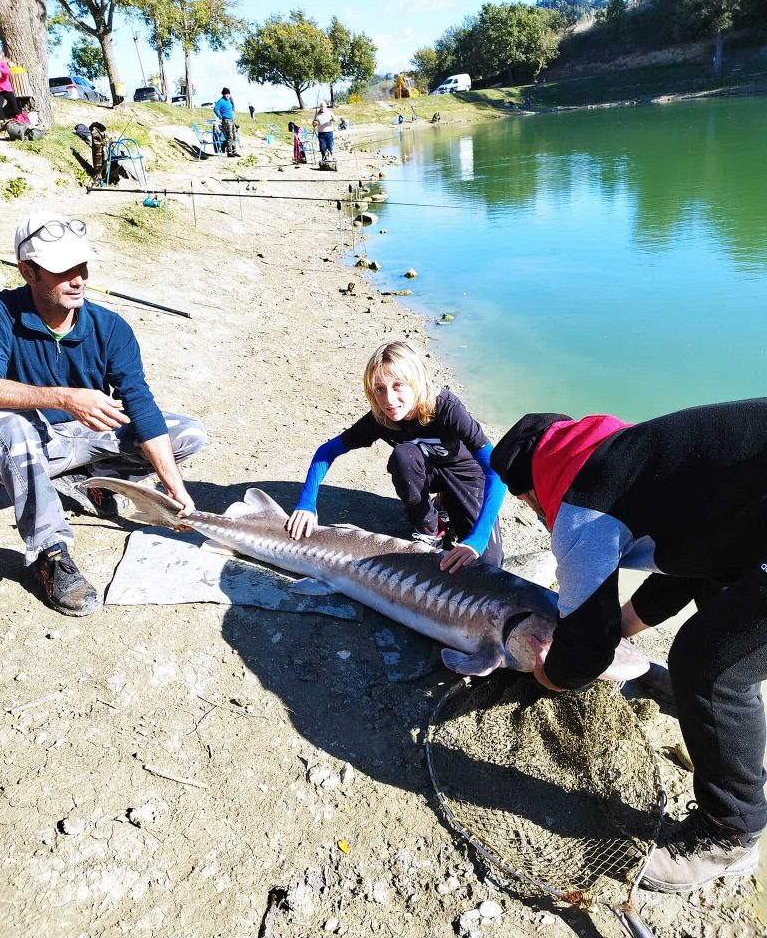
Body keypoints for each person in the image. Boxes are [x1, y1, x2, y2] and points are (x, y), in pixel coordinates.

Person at [490, 401, 767, 893]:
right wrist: (615, 627)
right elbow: (690, 561)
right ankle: (717, 735)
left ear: (532, 491)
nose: (537, 516)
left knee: (709, 664)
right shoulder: (632, 454)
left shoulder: (580, 506)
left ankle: (730, 836)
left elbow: (586, 654)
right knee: (723, 621)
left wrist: (545, 673)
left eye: (530, 507)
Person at [0, 212, 207, 616]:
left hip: (82, 440)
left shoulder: (110, 327)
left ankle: (93, 484)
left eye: (83, 266)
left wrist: (174, 488)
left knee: (186, 433)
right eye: (63, 270)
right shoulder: (2, 315)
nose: (79, 279)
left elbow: (141, 405)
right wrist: (63, 398)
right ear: (28, 271)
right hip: (22, 443)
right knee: (12, 423)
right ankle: (50, 554)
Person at [287, 341, 505, 573]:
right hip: (422, 471)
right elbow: (326, 451)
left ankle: (445, 501)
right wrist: (307, 503)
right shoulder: (380, 419)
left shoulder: (447, 409)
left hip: (465, 475)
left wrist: (479, 538)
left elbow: (495, 470)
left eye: (398, 385)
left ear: (416, 382)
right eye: (379, 389)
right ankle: (430, 530)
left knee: (488, 565)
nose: (389, 400)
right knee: (403, 455)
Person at [213, 87, 239, 158]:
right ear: (223, 94)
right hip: (226, 120)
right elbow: (215, 109)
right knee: (229, 136)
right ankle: (229, 152)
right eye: (226, 94)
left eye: (228, 94)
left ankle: (234, 151)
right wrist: (220, 116)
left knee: (234, 135)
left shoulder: (228, 100)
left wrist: (231, 99)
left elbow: (233, 103)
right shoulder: (221, 101)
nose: (227, 95)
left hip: (231, 120)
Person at [0, 56, 20, 120]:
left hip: (7, 90)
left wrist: (0, 70)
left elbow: (8, 72)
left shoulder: (2, 63)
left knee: (15, 108)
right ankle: (2, 122)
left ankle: (21, 121)